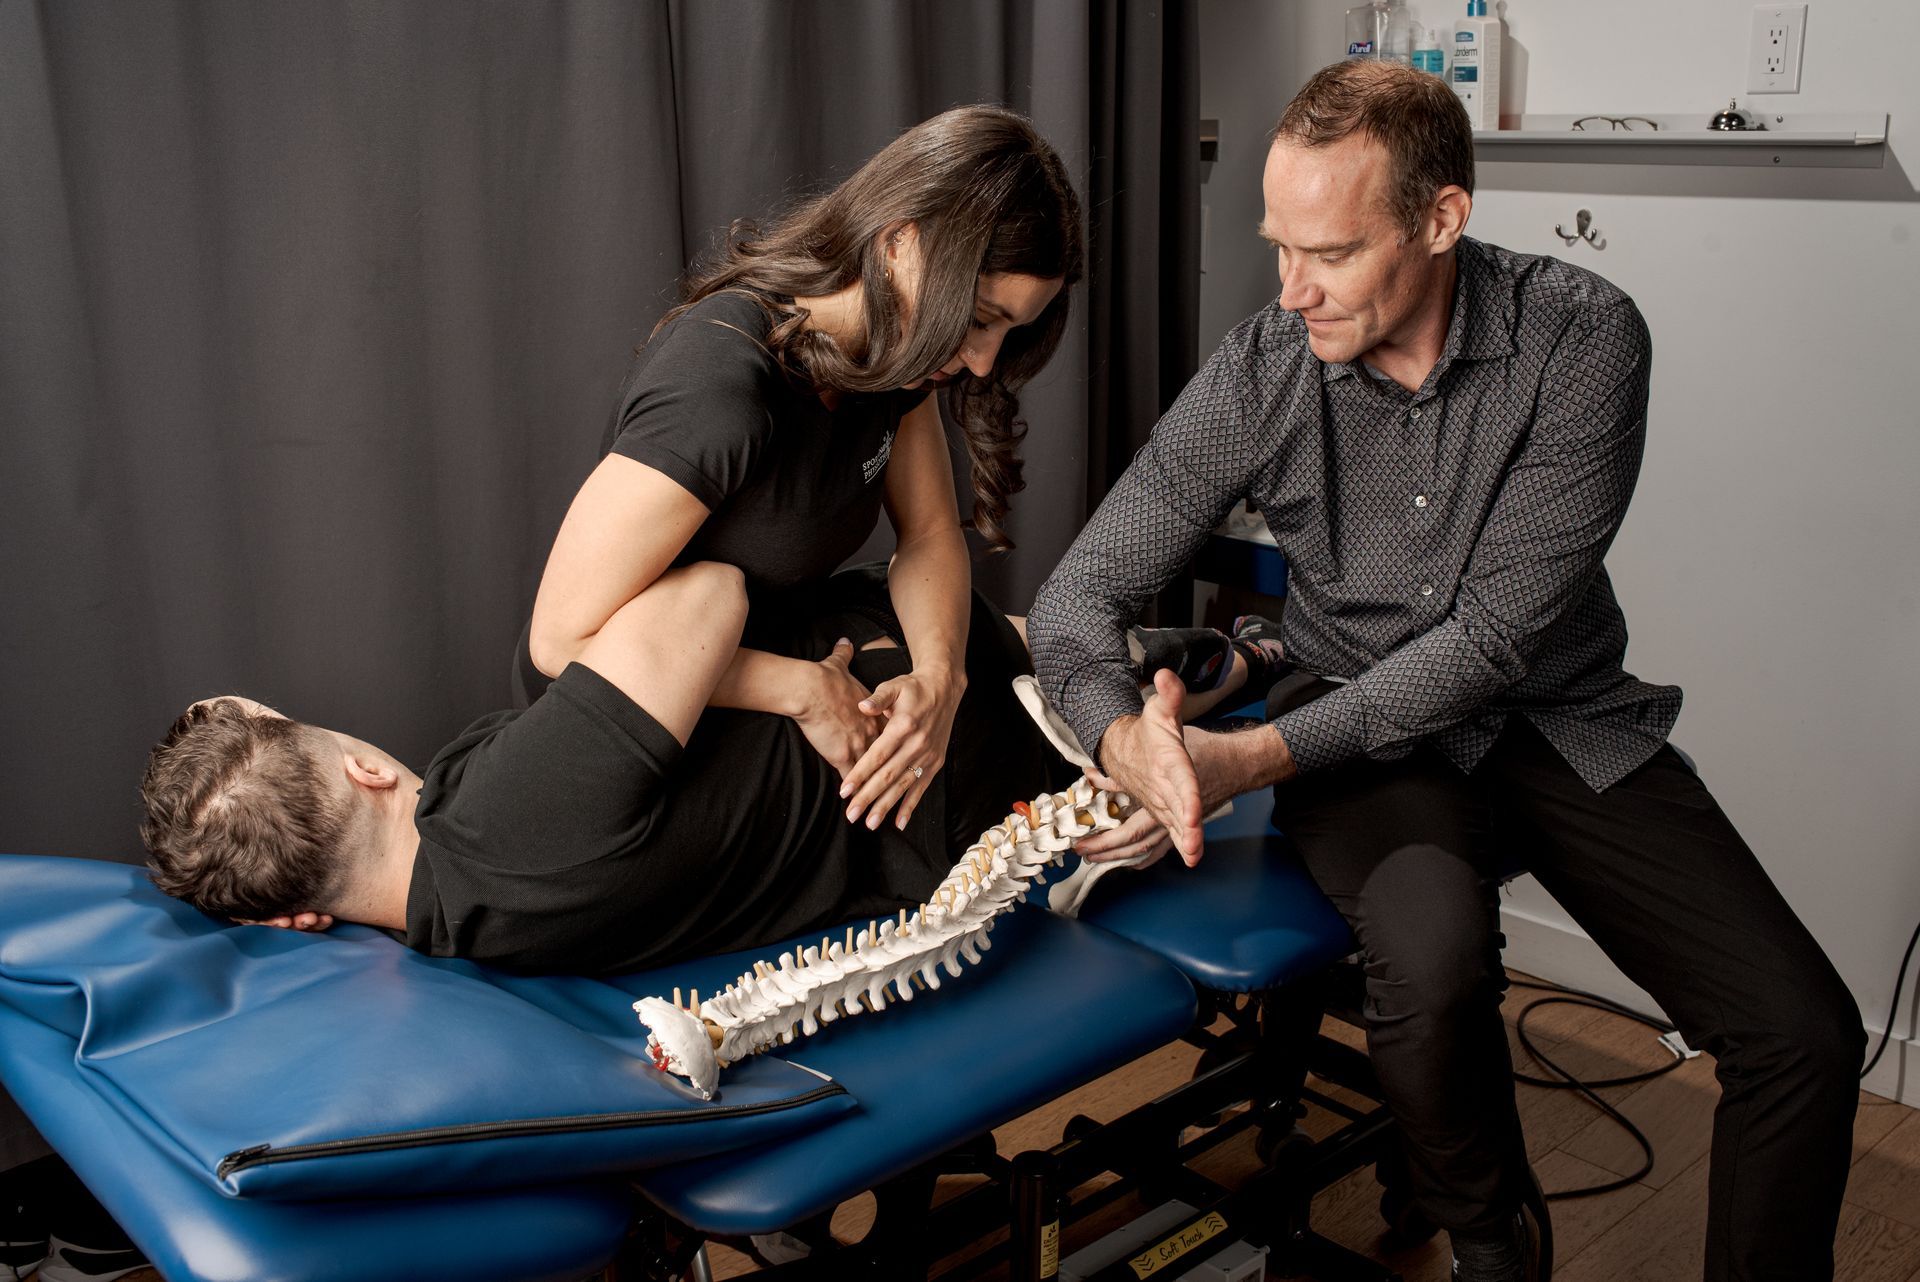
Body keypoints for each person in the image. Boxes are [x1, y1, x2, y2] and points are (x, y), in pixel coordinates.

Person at [1027, 60, 1862, 1282]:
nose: (1292, 289)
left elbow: (1490, 645)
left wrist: (1246, 752)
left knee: (1804, 1032)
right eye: (1279, 246)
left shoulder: (1582, 338)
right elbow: (1075, 598)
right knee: (1428, 967)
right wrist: (1125, 740)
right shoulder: (1266, 365)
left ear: (1441, 219)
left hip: (1555, 716)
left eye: (1333, 251)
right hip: (1359, 738)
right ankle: (1492, 1237)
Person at [519, 103, 1082, 843]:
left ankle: (1220, 660)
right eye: (979, 318)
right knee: (962, 753)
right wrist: (801, 690)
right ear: (899, 243)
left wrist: (941, 682)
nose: (983, 360)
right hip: (647, 704)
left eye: (1012, 329)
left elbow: (929, 536)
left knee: (991, 659)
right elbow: (558, 641)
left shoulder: (898, 362)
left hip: (786, 641)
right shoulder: (720, 381)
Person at [138, 561, 1061, 975]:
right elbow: (710, 595)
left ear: (296, 914)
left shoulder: (461, 919)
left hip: (914, 794)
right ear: (368, 774)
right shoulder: (502, 819)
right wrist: (794, 689)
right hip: (940, 738)